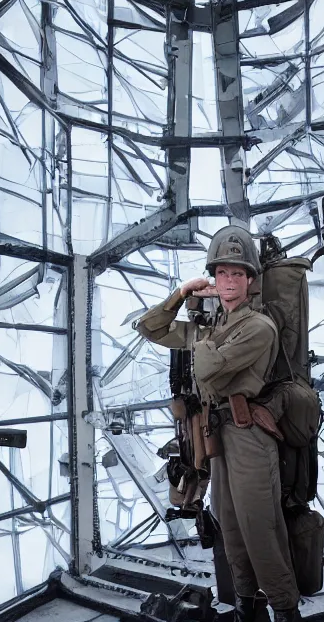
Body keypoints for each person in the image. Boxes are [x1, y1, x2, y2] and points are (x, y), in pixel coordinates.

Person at [135, 226, 301, 622]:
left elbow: (207, 370)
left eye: (237, 274)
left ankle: (285, 610)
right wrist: (181, 295)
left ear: (251, 281)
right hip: (218, 437)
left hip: (250, 435)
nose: (228, 281)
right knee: (230, 527)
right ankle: (246, 604)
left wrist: (201, 331)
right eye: (222, 273)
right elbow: (150, 327)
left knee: (259, 528)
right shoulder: (214, 327)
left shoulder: (258, 327)